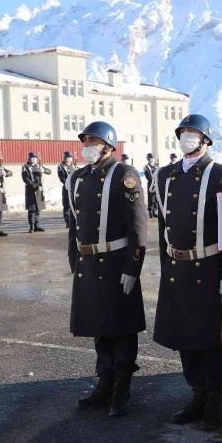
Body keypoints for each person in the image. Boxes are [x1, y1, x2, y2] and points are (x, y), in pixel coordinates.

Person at [152, 114, 222, 431]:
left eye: (193, 133)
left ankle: (215, 399)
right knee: (185, 337)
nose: (187, 137)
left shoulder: (220, 175)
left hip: (209, 267)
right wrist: (165, 267)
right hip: (178, 267)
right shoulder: (166, 176)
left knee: (210, 338)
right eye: (183, 132)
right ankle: (197, 395)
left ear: (206, 140)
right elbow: (163, 227)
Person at [67, 121, 148, 418]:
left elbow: (138, 226)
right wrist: (74, 260)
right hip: (88, 263)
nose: (87, 145)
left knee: (121, 328)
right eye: (85, 140)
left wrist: (133, 267)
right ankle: (104, 383)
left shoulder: (124, 175)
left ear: (109, 146)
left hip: (116, 263)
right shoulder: (76, 178)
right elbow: (73, 224)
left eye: (93, 140)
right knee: (99, 328)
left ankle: (122, 388)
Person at [22, 152, 52, 233]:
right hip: (31, 190)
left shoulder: (39, 166)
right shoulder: (26, 167)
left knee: (38, 209)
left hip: (39, 190)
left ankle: (37, 225)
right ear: (29, 159)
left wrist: (44, 170)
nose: (34, 160)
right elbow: (25, 178)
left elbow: (49, 172)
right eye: (32, 158)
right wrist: (34, 186)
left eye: (35, 158)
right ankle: (31, 226)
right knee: (32, 209)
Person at [58, 151, 79, 227]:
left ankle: (74, 221)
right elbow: (61, 178)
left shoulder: (74, 166)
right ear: (64, 158)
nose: (69, 159)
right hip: (66, 188)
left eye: (70, 158)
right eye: (67, 158)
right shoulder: (61, 166)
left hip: (74, 188)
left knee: (74, 205)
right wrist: (68, 183)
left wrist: (76, 169)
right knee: (67, 206)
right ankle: (67, 222)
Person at [143, 153, 159, 218]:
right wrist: (153, 181)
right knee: (150, 198)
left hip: (156, 183)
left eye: (152, 158)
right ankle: (150, 211)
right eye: (150, 158)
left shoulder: (156, 166)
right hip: (150, 183)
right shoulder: (146, 167)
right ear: (148, 159)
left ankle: (155, 211)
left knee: (155, 198)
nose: (151, 159)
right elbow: (148, 176)